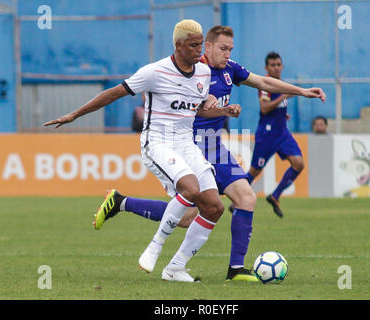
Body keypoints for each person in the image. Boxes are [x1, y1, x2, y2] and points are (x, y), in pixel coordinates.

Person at [92, 27, 326, 281]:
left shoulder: (230, 70)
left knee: (246, 197)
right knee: (187, 217)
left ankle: (235, 270)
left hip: (216, 147)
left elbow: (263, 81)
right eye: (223, 49)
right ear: (208, 47)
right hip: (191, 147)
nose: (227, 54)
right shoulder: (193, 69)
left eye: (230, 50)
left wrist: (301, 91)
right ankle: (122, 203)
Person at [44, 19, 233, 283]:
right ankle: (155, 245)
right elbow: (113, 93)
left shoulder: (203, 72)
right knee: (190, 190)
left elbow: (196, 107)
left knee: (214, 208)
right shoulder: (154, 72)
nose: (198, 50)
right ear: (178, 45)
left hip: (185, 143)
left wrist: (222, 110)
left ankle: (176, 267)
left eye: (200, 44)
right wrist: (74, 115)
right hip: (157, 142)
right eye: (193, 45)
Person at [246, 51, 321, 218]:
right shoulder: (264, 85)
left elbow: (278, 106)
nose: (276, 68)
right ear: (266, 68)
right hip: (267, 135)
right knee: (254, 171)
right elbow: (264, 108)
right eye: (272, 65)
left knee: (298, 163)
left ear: (282, 66)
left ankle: (275, 195)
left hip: (282, 133)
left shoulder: (281, 85)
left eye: (278, 65)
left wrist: (283, 114)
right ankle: (238, 197)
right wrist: (283, 98)